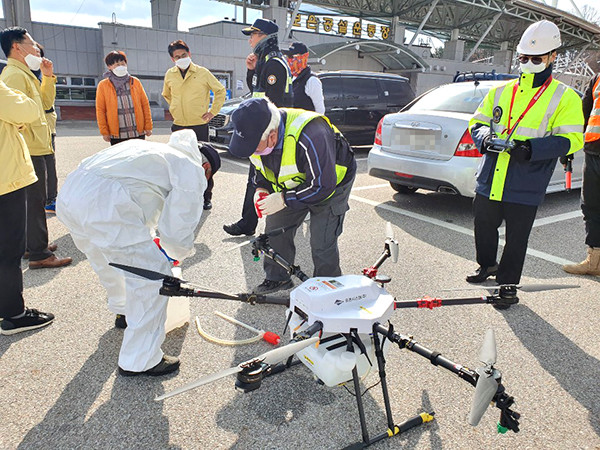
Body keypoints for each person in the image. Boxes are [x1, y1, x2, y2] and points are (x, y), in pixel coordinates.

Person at [56, 130, 215, 376]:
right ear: (207, 168)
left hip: (70, 196)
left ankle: (124, 310)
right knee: (152, 278)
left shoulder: (155, 151)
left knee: (110, 261)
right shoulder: (191, 168)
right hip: (105, 204)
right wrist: (173, 255)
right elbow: (178, 226)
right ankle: (139, 360)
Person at [467, 20, 584, 288]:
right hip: (490, 175)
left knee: (517, 238)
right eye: (524, 57)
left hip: (526, 179)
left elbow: (573, 138)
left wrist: (531, 149)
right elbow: (477, 122)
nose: (529, 62)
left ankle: (508, 286)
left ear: (553, 56)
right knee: (483, 226)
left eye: (536, 58)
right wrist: (484, 137)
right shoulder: (500, 91)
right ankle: (487, 264)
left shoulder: (565, 97)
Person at [227, 98, 356, 294]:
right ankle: (277, 278)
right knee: (275, 229)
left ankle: (329, 291)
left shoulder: (311, 134)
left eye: (254, 147)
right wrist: (261, 189)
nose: (252, 152)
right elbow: (260, 169)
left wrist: (284, 199)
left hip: (332, 183)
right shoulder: (257, 139)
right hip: (297, 182)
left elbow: (322, 186)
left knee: (322, 241)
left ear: (272, 136)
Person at [0, 26, 72, 269]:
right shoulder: (13, 75)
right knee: (34, 201)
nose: (36, 48)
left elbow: (45, 104)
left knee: (35, 200)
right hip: (30, 147)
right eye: (31, 43)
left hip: (38, 144)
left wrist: (48, 77)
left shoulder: (25, 73)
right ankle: (40, 253)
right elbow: (18, 115)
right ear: (17, 47)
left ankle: (34, 244)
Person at [223, 18, 293, 237]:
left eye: (253, 35)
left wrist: (259, 138)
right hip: (263, 133)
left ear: (265, 37)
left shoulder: (274, 64)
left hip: (270, 135)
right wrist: (252, 71)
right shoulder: (264, 62)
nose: (250, 40)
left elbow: (271, 105)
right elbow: (257, 94)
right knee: (256, 179)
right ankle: (249, 222)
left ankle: (272, 228)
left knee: (270, 181)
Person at [0, 80, 56, 335]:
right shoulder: (10, 78)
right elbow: (29, 112)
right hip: (5, 180)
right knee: (8, 251)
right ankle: (14, 314)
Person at [162, 39, 226, 210]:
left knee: (203, 164)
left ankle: (206, 197)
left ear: (189, 54)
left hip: (199, 126)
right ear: (172, 59)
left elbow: (220, 91)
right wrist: (175, 108)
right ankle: (182, 196)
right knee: (178, 164)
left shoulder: (202, 73)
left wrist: (212, 111)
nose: (181, 58)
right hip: (179, 126)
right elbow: (167, 95)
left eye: (184, 55)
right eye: (177, 56)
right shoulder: (170, 74)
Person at [563, 71, 600, 275]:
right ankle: (594, 262)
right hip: (593, 153)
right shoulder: (597, 78)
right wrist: (568, 149)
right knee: (591, 208)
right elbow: (583, 115)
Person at [95, 50, 152, 146]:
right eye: (117, 65)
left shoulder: (135, 82)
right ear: (109, 67)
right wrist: (104, 131)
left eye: (123, 63)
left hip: (137, 132)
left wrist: (148, 126)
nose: (121, 66)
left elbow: (145, 105)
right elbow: (100, 110)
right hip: (117, 134)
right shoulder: (103, 85)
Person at [30, 44, 59, 214]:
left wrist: (48, 77)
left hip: (48, 128)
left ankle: (51, 199)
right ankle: (40, 202)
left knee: (50, 166)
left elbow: (47, 102)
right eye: (34, 53)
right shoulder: (19, 77)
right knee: (39, 170)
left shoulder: (41, 76)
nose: (38, 57)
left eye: (39, 54)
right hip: (32, 131)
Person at [283, 42, 325, 114]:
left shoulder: (312, 81)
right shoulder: (290, 78)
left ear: (303, 57)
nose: (289, 60)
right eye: (288, 57)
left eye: (292, 57)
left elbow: (320, 111)